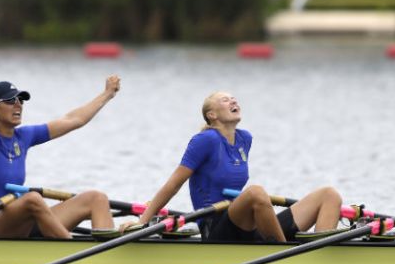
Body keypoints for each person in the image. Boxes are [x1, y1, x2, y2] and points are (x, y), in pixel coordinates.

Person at [121, 91, 342, 242]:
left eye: (234, 98)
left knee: (329, 195)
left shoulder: (245, 139)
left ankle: (322, 252)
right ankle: (287, 256)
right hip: (215, 225)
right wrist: (143, 222)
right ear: (212, 115)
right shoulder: (204, 141)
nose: (234, 101)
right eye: (226, 100)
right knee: (256, 192)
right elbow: (173, 184)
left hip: (247, 223)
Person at [0, 72, 121, 239]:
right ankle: (71, 245)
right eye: (10, 101)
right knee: (32, 198)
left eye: (20, 100)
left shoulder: (24, 136)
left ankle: (109, 253)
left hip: (23, 220)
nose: (18, 105)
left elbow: (73, 120)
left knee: (97, 198)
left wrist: (107, 94)